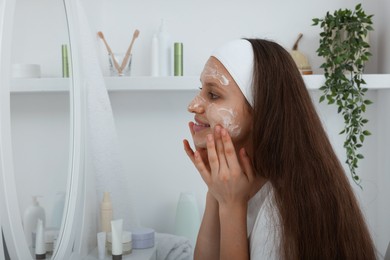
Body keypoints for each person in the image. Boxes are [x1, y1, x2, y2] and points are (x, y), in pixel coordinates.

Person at [183, 39, 376, 260]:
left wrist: (231, 206)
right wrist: (215, 192)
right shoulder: (239, 184)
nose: (193, 105)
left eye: (213, 95)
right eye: (201, 90)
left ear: (260, 109)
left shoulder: (279, 213)